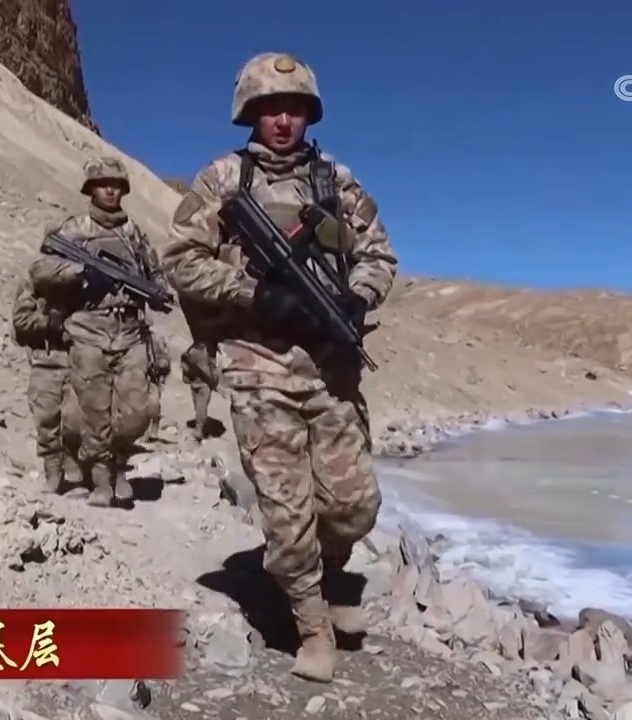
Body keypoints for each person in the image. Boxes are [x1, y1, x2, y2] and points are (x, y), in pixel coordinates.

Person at [160, 52, 398, 682]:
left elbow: (379, 256)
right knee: (287, 514)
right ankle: (312, 624)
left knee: (354, 505)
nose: (283, 120)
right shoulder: (222, 180)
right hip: (258, 364)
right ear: (251, 114)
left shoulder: (335, 181)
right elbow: (180, 261)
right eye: (270, 109)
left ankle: (327, 576)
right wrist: (255, 296)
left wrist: (357, 297)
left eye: (293, 108)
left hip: (331, 366)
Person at [28, 156, 172, 508]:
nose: (110, 190)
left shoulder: (134, 234)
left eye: (117, 185)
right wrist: (80, 273)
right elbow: (41, 270)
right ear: (90, 189)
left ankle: (118, 458)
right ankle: (102, 477)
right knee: (94, 411)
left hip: (130, 331)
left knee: (136, 411)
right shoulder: (73, 229)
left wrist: (158, 291)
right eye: (103, 184)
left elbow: (155, 275)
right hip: (88, 329)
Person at [10, 276, 76, 494]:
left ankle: (78, 472)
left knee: (79, 421)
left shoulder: (88, 281)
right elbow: (21, 322)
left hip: (80, 362)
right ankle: (53, 473)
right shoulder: (36, 281)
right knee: (47, 420)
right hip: (46, 362)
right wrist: (50, 323)